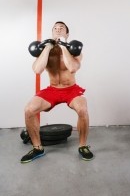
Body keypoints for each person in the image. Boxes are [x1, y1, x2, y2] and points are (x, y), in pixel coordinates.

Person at [21, 21, 94, 163]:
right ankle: (37, 148)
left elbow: (72, 68)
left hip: (71, 89)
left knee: (82, 109)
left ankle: (83, 146)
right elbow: (37, 70)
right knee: (29, 110)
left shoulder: (74, 50)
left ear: (67, 34)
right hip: (52, 90)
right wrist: (47, 47)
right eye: (55, 28)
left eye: (62, 28)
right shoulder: (44, 51)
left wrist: (62, 45)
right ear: (52, 33)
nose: (58, 29)